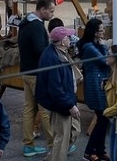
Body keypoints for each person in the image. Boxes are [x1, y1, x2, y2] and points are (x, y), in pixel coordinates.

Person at [35, 27, 79, 161]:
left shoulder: (59, 53)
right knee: (61, 137)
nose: (70, 39)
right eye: (68, 37)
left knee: (74, 131)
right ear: (62, 41)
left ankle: (52, 157)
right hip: (61, 104)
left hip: (64, 101)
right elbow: (56, 89)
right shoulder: (53, 57)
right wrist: (70, 105)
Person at [19, 0, 54, 157]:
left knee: (29, 109)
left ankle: (28, 145)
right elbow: (40, 49)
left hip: (26, 71)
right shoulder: (36, 26)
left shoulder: (26, 22)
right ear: (42, 9)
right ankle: (55, 144)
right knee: (45, 109)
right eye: (51, 11)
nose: (52, 14)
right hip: (37, 73)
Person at [77, 20, 109, 161]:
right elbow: (106, 61)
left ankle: (100, 150)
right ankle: (89, 151)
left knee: (104, 119)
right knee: (102, 118)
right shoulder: (89, 47)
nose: (103, 32)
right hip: (95, 85)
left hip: (98, 82)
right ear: (95, 32)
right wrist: (104, 46)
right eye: (101, 30)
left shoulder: (92, 45)